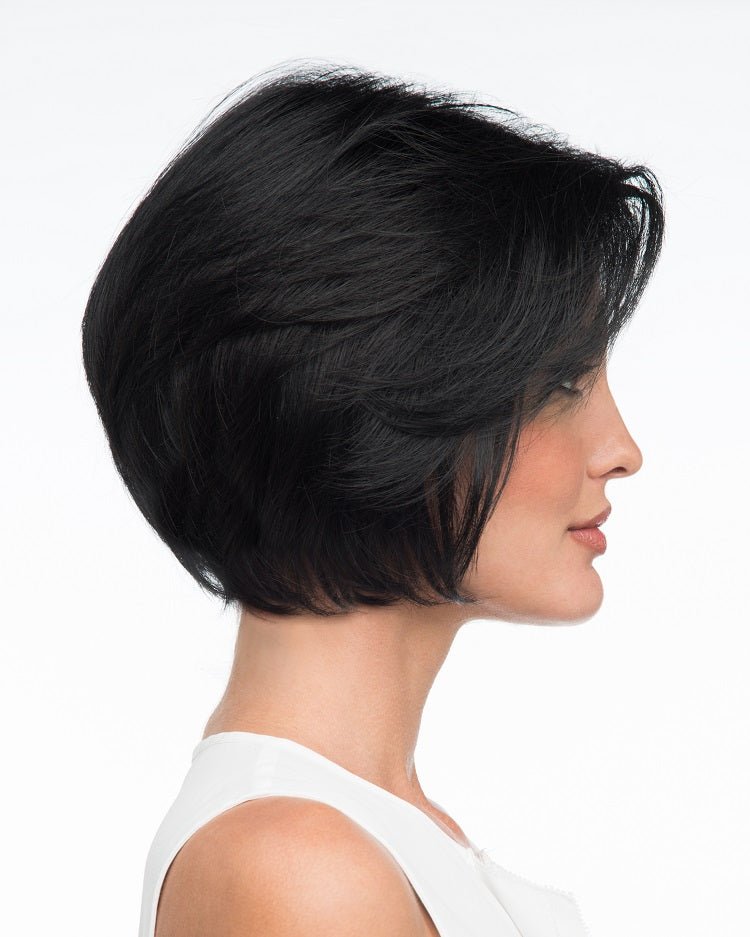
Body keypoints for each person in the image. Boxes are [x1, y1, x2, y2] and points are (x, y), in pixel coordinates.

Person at [80, 61, 665, 937]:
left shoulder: (369, 836)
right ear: (369, 404)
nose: (622, 452)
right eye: (561, 383)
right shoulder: (300, 869)